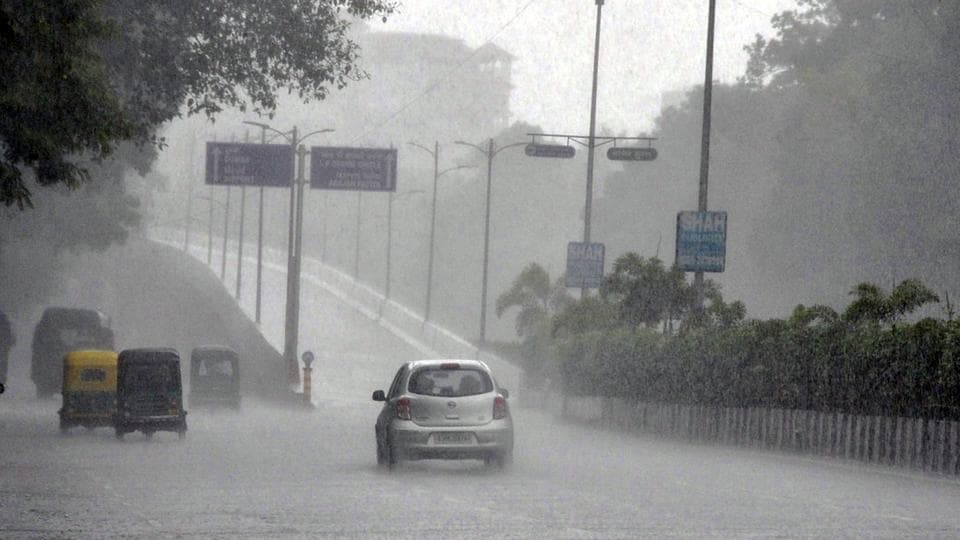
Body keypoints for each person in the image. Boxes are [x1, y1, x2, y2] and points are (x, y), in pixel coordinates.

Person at [0, 310, 13, 385]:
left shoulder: (3, 318)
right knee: (2, 368)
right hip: (3, 348)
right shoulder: (4, 318)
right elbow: (10, 337)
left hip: (3, 348)